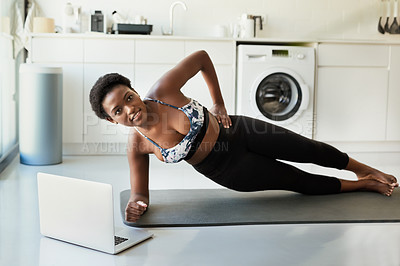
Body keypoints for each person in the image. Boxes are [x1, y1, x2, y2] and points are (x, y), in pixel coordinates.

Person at [89, 50, 398, 223]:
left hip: (240, 130)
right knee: (297, 181)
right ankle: (365, 184)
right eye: (118, 111)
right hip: (228, 170)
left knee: (310, 149)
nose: (129, 109)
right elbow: (140, 193)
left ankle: (362, 168)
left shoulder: (163, 91)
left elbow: (201, 58)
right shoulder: (138, 145)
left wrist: (218, 102)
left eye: (128, 97)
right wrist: (136, 204)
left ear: (134, 91)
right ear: (112, 120)